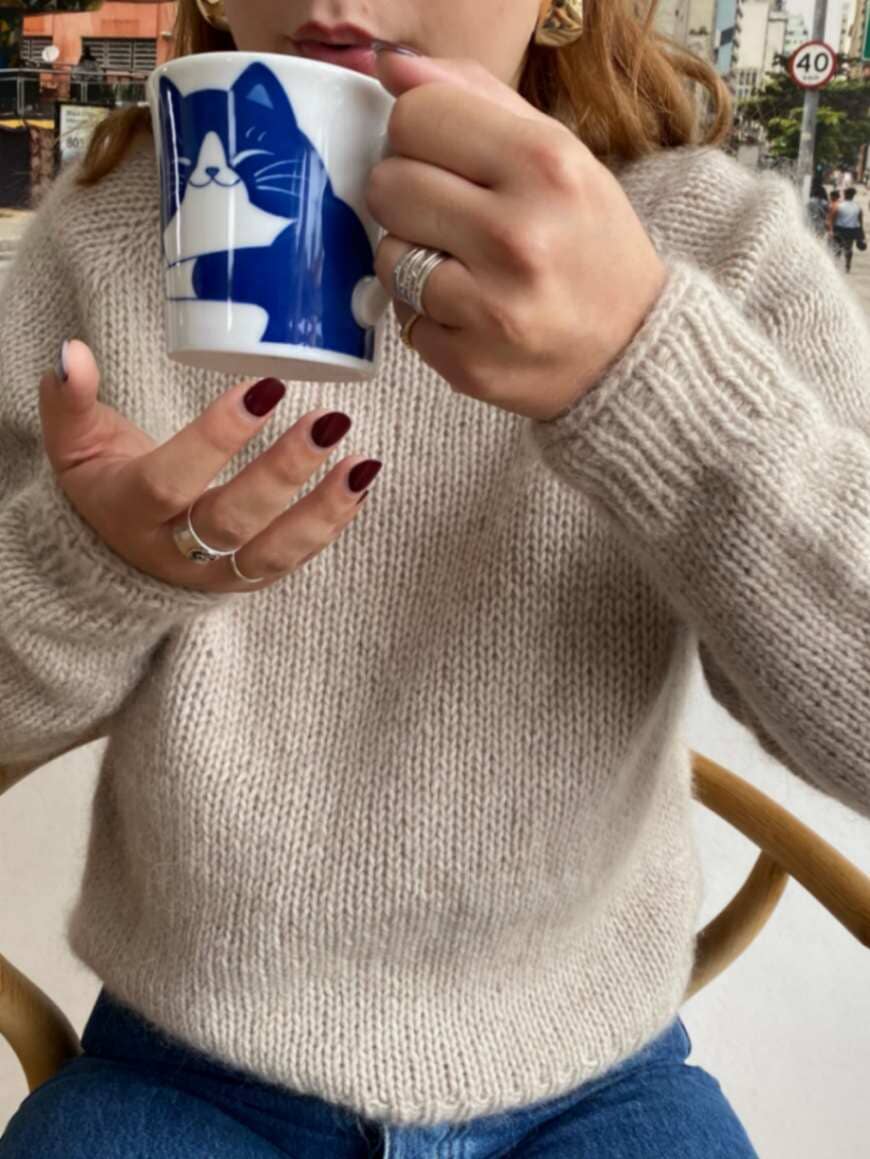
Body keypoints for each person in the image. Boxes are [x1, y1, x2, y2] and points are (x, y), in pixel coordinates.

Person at [1, 0, 868, 1156]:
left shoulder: (714, 246)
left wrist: (645, 368)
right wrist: (87, 569)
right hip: (187, 1060)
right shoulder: (99, 248)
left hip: (594, 1071)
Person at [830, 187, 864, 273]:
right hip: (851, 231)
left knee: (837, 248)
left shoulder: (839, 206)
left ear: (845, 194)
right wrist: (861, 235)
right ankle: (848, 264)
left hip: (839, 230)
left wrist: (831, 230)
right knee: (848, 248)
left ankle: (836, 265)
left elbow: (833, 219)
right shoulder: (858, 207)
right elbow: (860, 222)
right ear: (853, 195)